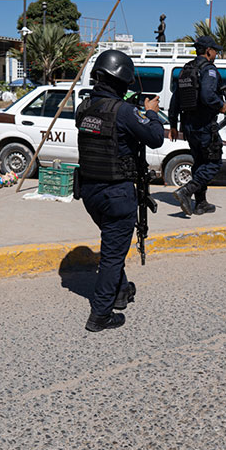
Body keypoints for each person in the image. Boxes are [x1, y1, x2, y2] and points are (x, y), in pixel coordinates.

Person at [76, 49, 164, 332]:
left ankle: (121, 291)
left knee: (114, 245)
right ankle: (100, 314)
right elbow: (155, 139)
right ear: (122, 80)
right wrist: (150, 114)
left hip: (90, 192)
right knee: (113, 254)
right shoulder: (125, 112)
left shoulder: (84, 108)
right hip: (116, 194)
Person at [168, 35, 226, 216]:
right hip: (203, 125)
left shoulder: (187, 70)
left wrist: (173, 124)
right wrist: (222, 106)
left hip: (189, 126)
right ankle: (186, 191)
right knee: (214, 162)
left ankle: (201, 203)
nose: (216, 54)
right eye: (215, 50)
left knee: (200, 163)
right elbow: (207, 95)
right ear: (208, 51)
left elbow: (175, 99)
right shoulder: (208, 70)